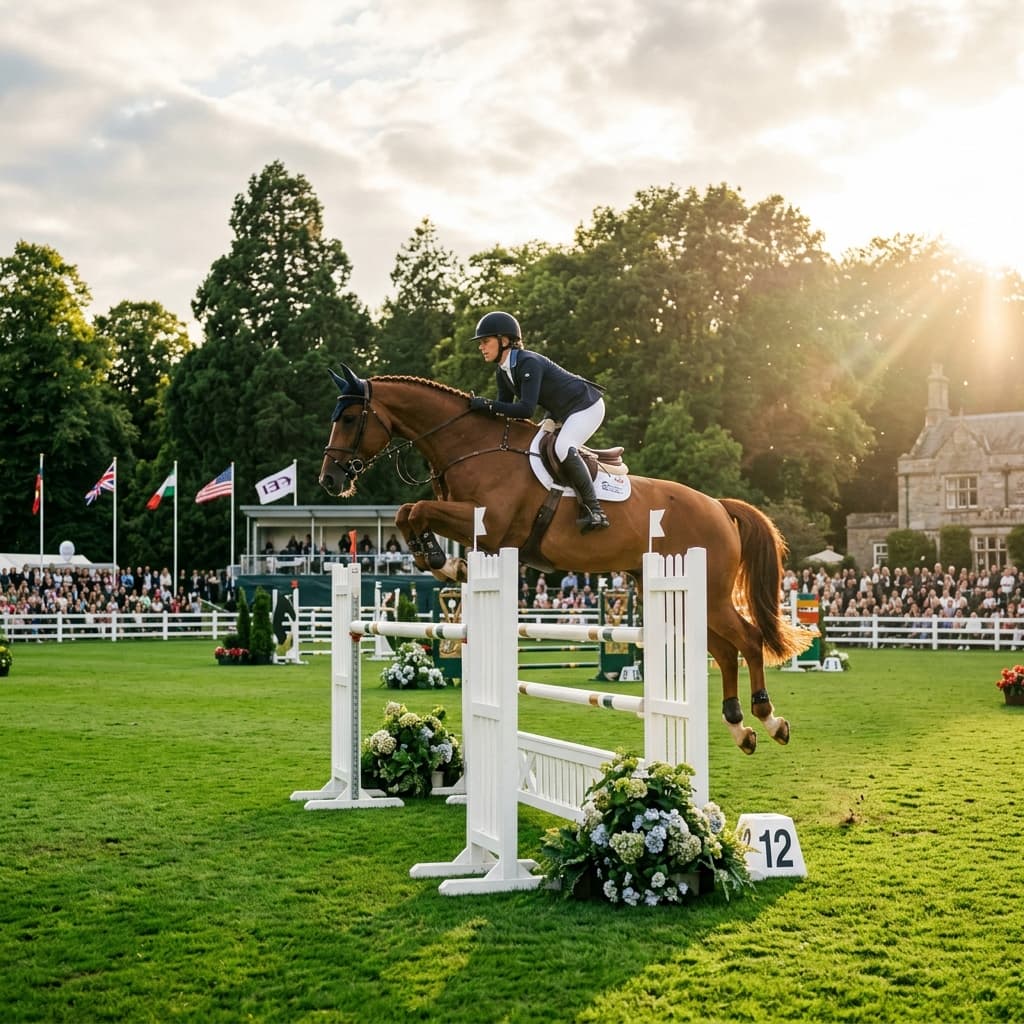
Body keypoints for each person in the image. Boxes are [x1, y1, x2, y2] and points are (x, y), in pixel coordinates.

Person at [468, 311, 610, 533]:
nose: (481, 347)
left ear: (504, 341)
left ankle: (595, 510)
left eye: (485, 341)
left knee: (563, 447)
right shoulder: (503, 371)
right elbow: (504, 411)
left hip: (585, 406)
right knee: (533, 445)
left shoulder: (528, 363)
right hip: (559, 411)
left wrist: (485, 405)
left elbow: (525, 409)